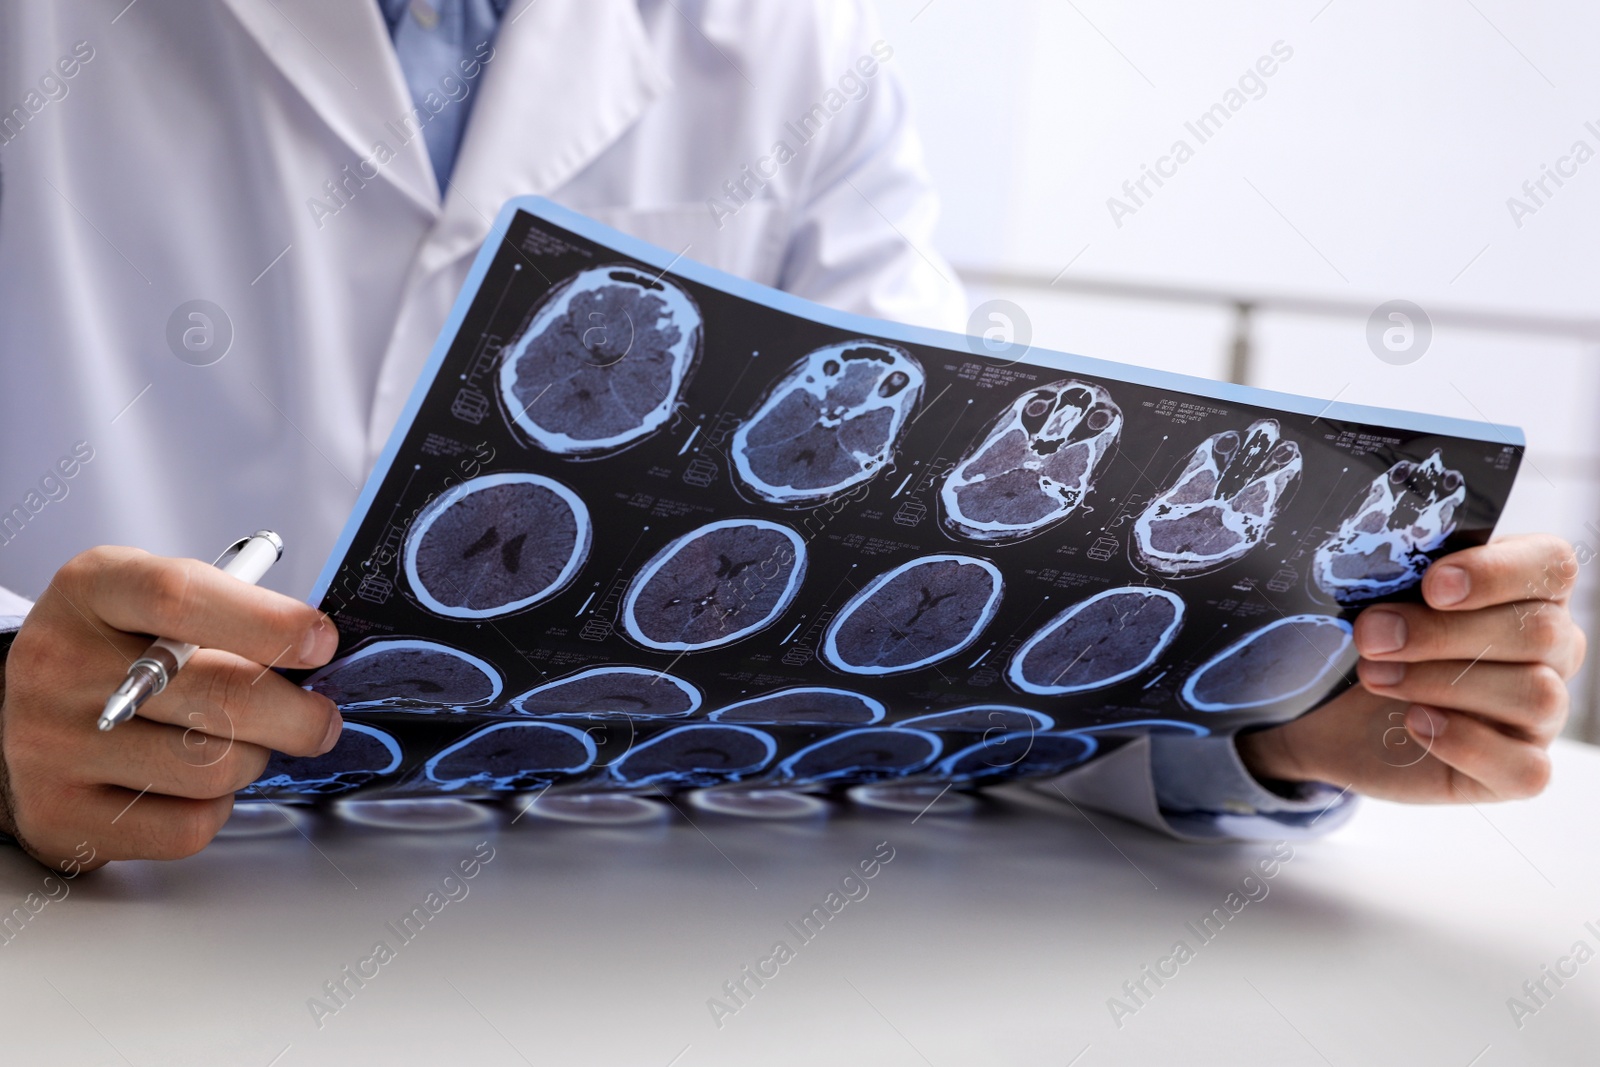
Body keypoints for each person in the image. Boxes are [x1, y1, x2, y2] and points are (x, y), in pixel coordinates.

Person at [0, 0, 1582, 871]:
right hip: (103, 948)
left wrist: (1280, 709)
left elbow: (940, 607)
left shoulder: (797, 48)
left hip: (618, 938)